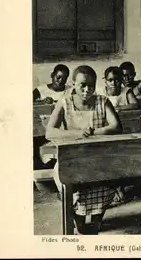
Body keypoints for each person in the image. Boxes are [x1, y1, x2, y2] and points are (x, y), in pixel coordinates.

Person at [45, 65, 123, 234]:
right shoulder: (64, 103)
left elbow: (116, 127)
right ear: (73, 84)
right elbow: (50, 132)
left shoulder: (102, 101)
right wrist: (77, 133)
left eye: (91, 86)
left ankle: (96, 222)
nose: (87, 90)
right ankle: (79, 224)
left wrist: (94, 132)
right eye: (82, 85)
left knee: (103, 182)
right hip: (72, 158)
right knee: (73, 189)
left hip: (97, 156)